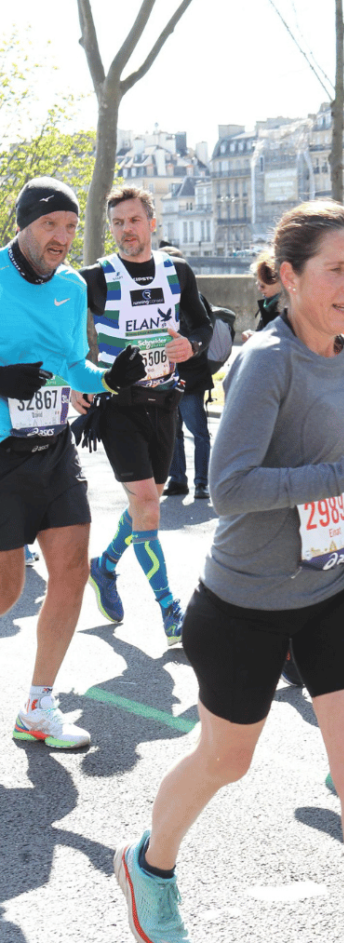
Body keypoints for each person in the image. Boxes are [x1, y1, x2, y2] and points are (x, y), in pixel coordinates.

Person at [114, 200, 344, 943]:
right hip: (244, 606)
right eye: (335, 269)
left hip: (329, 592)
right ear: (288, 276)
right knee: (226, 760)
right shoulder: (265, 361)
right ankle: (149, 864)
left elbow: (332, 467)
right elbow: (232, 489)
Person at [1, 177, 145, 749]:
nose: (62, 236)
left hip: (53, 447)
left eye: (69, 225)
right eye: (49, 225)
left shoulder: (68, 287)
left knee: (71, 571)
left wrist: (111, 378)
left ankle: (38, 705)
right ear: (23, 225)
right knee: (7, 593)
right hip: (2, 456)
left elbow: (72, 366)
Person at [74, 186, 213, 644]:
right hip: (120, 410)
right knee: (149, 505)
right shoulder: (96, 277)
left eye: (134, 220)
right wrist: (79, 380)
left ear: (153, 222)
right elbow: (63, 330)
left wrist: (189, 345)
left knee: (143, 504)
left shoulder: (178, 271)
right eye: (117, 223)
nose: (125, 231)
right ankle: (169, 609)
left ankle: (106, 565)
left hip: (165, 404)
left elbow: (204, 324)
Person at [159, 250, 213, 501]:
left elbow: (202, 332)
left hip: (189, 378)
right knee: (173, 430)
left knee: (197, 430)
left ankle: (202, 483)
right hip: (168, 377)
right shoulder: (159, 299)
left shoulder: (192, 298)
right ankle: (178, 479)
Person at [241, 249, 281, 341]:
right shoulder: (269, 305)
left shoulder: (288, 310)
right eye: (258, 283)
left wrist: (257, 337)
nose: (259, 288)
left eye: (263, 286)